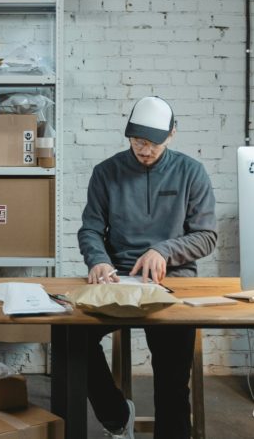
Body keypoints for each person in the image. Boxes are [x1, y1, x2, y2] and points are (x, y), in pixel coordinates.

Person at [77, 96, 217, 439]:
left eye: (153, 143)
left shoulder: (191, 172)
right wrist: (98, 260)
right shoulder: (106, 172)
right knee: (72, 339)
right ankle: (116, 417)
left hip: (172, 283)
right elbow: (90, 229)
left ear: (172, 135)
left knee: (171, 380)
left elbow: (207, 236)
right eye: (137, 141)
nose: (144, 150)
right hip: (118, 279)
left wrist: (164, 251)